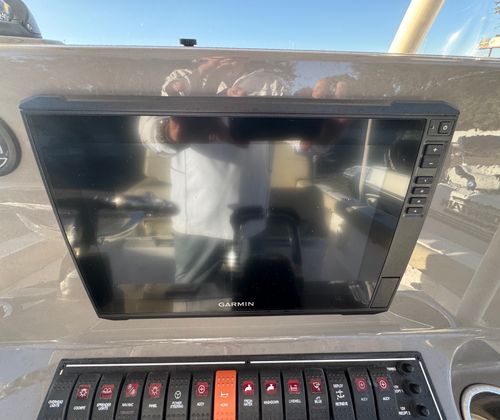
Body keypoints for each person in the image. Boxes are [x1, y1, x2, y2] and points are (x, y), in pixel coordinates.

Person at [139, 61, 286, 285]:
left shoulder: (271, 83)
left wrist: (322, 130)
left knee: (252, 296)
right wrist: (169, 133)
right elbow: (148, 134)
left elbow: (301, 140)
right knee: (192, 301)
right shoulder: (178, 78)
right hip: (195, 224)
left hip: (252, 221)